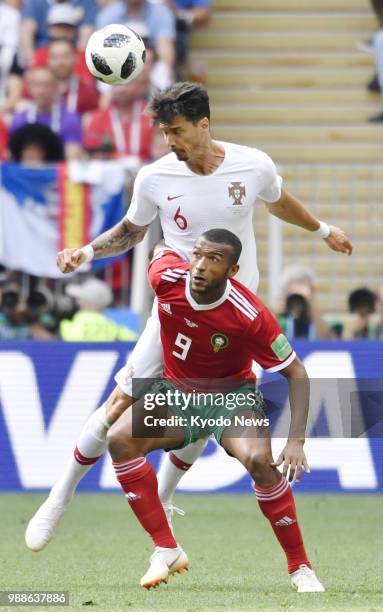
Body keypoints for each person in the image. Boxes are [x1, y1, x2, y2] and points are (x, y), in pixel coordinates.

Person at [25, 82, 352, 553]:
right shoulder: (156, 177)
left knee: (211, 401)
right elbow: (134, 230)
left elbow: (278, 201)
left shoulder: (253, 165)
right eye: (164, 133)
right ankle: (61, 494)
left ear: (204, 125)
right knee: (120, 403)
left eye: (177, 131)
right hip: (175, 310)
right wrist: (87, 251)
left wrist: (323, 229)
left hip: (235, 314)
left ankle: (164, 496)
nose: (169, 142)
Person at [104, 229, 324, 591]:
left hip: (230, 397)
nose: (200, 266)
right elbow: (159, 250)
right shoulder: (165, 277)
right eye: (197, 255)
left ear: (232, 270)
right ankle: (167, 547)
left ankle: (301, 568)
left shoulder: (248, 314)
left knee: (259, 462)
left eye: (213, 259)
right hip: (177, 394)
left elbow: (296, 372)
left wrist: (296, 441)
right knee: (118, 438)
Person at [10, 66, 83, 160]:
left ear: (56, 87)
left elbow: (72, 158)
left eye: (46, 85)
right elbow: (13, 156)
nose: (41, 91)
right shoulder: (19, 119)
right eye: (37, 85)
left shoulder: (70, 119)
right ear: (29, 88)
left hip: (57, 172)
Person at [84, 75, 153, 161]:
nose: (122, 90)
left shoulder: (152, 116)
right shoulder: (97, 119)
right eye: (117, 85)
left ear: (138, 86)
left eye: (127, 84)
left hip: (147, 169)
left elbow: (162, 150)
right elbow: (94, 155)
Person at [60, 277, 138, 341]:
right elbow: (134, 339)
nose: (78, 302)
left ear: (87, 303)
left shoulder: (70, 325)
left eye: (80, 299)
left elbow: (54, 337)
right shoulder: (114, 329)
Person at [274, 266, 335, 340]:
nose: (298, 301)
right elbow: (268, 342)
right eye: (294, 295)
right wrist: (275, 315)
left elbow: (327, 344)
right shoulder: (282, 321)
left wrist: (311, 306)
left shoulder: (328, 322)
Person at [47, 39, 99, 115]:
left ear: (76, 58)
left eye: (66, 56)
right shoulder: (36, 89)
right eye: (55, 57)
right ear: (48, 60)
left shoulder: (87, 91)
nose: (61, 62)